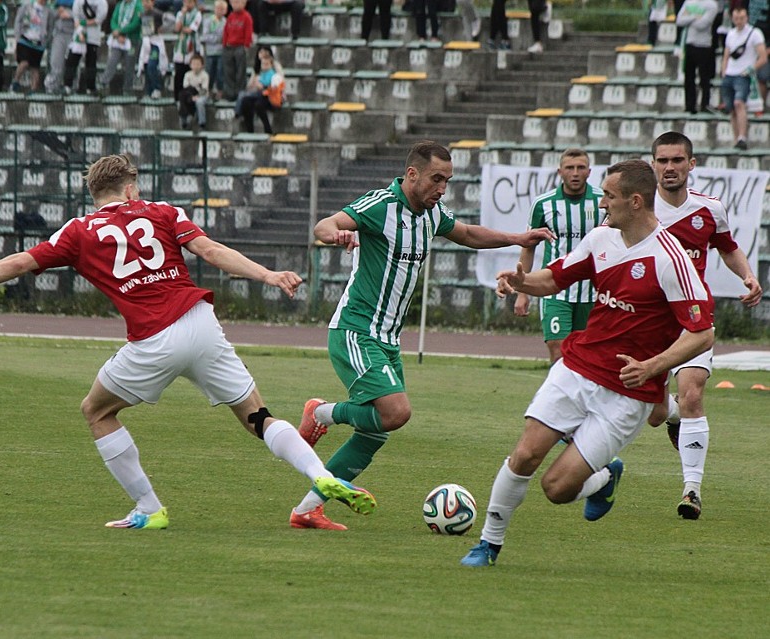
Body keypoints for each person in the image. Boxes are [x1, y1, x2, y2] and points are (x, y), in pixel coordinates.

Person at [0, 154, 378, 530]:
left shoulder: (79, 231)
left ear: (95, 193)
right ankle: (321, 475)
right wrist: (269, 275)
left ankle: (148, 507)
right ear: (130, 188)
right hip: (201, 322)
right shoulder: (163, 212)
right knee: (259, 417)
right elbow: (212, 252)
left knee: (96, 411)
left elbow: (19, 263)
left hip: (154, 338)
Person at [461, 159, 715, 568]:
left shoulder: (672, 260)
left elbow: (702, 333)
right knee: (525, 454)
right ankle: (488, 544)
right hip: (576, 368)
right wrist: (521, 281)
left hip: (628, 395)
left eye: (609, 197)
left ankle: (602, 478)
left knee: (556, 488)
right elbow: (555, 278)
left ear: (634, 202)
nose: (602, 205)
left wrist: (653, 367)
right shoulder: (600, 240)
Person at [292, 141, 554, 530]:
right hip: (356, 330)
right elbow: (324, 225)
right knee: (396, 412)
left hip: (388, 339)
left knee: (375, 432)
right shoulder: (381, 205)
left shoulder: (431, 215)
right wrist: (337, 235)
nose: (442, 188)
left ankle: (308, 509)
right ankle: (322, 412)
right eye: (436, 179)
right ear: (412, 174)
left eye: (447, 181)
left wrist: (517, 238)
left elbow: (468, 233)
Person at [646, 131, 763, 519]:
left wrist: (747, 275)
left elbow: (727, 247)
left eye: (677, 160)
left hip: (692, 318)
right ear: (653, 165)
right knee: (652, 412)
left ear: (691, 164)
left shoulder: (709, 209)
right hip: (646, 320)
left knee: (693, 394)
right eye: (662, 161)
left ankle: (691, 490)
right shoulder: (638, 210)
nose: (670, 168)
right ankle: (673, 414)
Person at [513, 148, 605, 364]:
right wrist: (523, 291)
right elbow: (528, 247)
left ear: (589, 172)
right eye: (570, 168)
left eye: (580, 168)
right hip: (556, 291)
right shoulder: (543, 204)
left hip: (593, 292)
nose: (575, 173)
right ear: (560, 172)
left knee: (588, 356)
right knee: (559, 351)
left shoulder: (603, 202)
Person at [720, 5, 766, 149]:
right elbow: (726, 55)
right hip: (730, 74)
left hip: (743, 74)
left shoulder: (755, 33)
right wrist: (723, 71)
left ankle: (742, 136)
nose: (738, 21)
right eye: (736, 18)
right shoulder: (731, 34)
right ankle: (736, 139)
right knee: (731, 108)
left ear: (746, 18)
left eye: (741, 18)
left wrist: (751, 69)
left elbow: (762, 56)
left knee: (739, 103)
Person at [677, 0, 719, 114]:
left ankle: (705, 104)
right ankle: (690, 105)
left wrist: (689, 17)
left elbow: (703, 24)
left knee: (704, 77)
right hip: (689, 43)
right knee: (689, 76)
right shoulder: (689, 2)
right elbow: (679, 20)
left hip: (704, 45)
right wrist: (695, 16)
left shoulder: (711, 5)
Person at [234, 45, 284, 133]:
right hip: (259, 94)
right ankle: (249, 129)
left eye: (266, 64)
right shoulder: (259, 72)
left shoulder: (274, 74)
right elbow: (250, 85)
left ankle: (267, 129)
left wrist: (263, 86)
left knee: (258, 103)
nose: (264, 65)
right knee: (246, 101)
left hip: (271, 96)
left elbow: (275, 86)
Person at [98, 0, 143, 95]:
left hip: (131, 40)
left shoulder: (138, 6)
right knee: (112, 61)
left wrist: (122, 31)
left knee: (129, 65)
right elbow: (113, 20)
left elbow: (136, 22)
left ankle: (127, 89)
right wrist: (117, 32)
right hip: (118, 40)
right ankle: (103, 83)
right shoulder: (119, 5)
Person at [64, 0, 108, 95]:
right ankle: (67, 86)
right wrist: (80, 32)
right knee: (71, 61)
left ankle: (90, 88)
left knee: (91, 62)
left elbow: (99, 19)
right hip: (79, 36)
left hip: (93, 37)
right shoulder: (78, 1)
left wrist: (84, 22)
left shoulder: (102, 2)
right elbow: (76, 18)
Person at [11, 0, 51, 94]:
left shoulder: (48, 11)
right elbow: (18, 20)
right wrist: (17, 36)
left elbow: (50, 26)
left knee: (35, 67)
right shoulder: (27, 6)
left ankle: (33, 90)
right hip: (25, 39)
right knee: (24, 63)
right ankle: (15, 82)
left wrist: (45, 40)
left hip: (38, 43)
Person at [171, 0, 202, 104]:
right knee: (178, 73)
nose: (187, 4)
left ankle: (189, 98)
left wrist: (183, 29)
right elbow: (177, 28)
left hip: (191, 47)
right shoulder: (180, 14)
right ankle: (177, 98)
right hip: (180, 47)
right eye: (186, 2)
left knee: (190, 73)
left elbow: (191, 30)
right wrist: (182, 16)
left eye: (190, 2)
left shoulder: (197, 14)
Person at [222, 0, 253, 101]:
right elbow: (226, 30)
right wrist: (224, 43)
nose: (235, 4)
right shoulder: (230, 16)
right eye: (234, 2)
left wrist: (246, 45)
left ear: (244, 3)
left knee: (240, 71)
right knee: (228, 71)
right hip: (229, 46)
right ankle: (230, 93)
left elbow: (248, 31)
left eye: (238, 2)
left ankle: (240, 93)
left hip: (240, 46)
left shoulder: (247, 17)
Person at [44, 0, 75, 94]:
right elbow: (48, 13)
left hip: (74, 34)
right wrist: (58, 11)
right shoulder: (57, 4)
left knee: (73, 62)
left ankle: (71, 87)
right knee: (56, 62)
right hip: (59, 33)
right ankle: (51, 86)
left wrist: (70, 14)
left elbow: (87, 15)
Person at [137, 0, 167, 98]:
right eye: (144, 1)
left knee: (151, 65)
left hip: (156, 43)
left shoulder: (158, 13)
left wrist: (162, 28)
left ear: (152, 2)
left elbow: (170, 22)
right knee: (146, 66)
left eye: (148, 1)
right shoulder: (141, 14)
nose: (145, 3)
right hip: (146, 42)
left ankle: (157, 88)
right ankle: (149, 91)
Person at [199, 0, 227, 100]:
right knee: (209, 72)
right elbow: (204, 37)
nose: (220, 11)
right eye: (218, 8)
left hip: (221, 52)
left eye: (222, 9)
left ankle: (220, 91)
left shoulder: (226, 22)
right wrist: (217, 39)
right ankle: (208, 90)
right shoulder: (208, 21)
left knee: (220, 72)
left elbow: (225, 38)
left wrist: (218, 39)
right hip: (210, 52)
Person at [178, 52, 209, 128]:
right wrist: (192, 97)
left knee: (199, 102)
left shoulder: (205, 75)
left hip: (202, 95)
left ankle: (202, 123)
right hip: (190, 94)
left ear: (202, 65)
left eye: (198, 64)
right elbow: (186, 88)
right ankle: (184, 122)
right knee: (181, 100)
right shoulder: (187, 74)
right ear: (190, 65)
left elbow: (204, 89)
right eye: (194, 64)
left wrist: (197, 97)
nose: (196, 66)